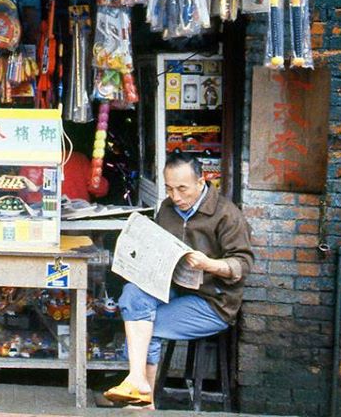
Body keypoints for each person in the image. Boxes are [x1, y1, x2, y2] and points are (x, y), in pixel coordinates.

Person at [104, 153, 254, 409]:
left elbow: (244, 264)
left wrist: (209, 264)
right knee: (132, 295)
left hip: (213, 301)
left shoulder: (227, 214)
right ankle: (138, 381)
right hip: (174, 288)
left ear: (201, 182)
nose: (175, 196)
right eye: (169, 189)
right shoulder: (167, 209)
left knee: (147, 327)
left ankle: (143, 402)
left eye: (182, 189)